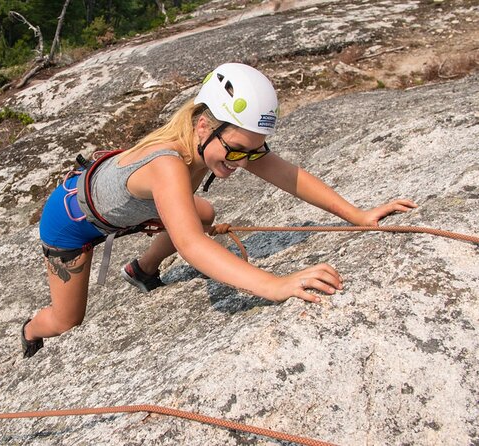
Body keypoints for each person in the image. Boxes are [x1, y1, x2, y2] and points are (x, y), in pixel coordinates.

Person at [21, 62, 417, 358]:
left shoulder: (219, 139)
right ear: (203, 126)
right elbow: (191, 245)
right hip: (71, 225)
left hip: (127, 209)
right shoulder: (167, 164)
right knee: (66, 319)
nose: (243, 162)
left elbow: (289, 176)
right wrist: (273, 284)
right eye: (236, 150)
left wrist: (358, 216)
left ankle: (140, 270)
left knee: (204, 213)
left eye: (252, 151)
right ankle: (29, 330)